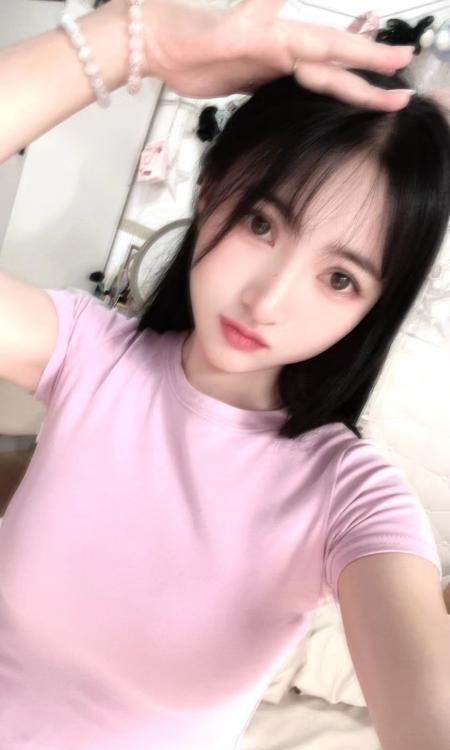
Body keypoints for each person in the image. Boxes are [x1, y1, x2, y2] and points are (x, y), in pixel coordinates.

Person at [0, 2, 449, 749]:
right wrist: (136, 38)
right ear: (211, 189)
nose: (267, 301)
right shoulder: (90, 354)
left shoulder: (348, 497)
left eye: (340, 279)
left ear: (373, 308)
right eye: (262, 223)